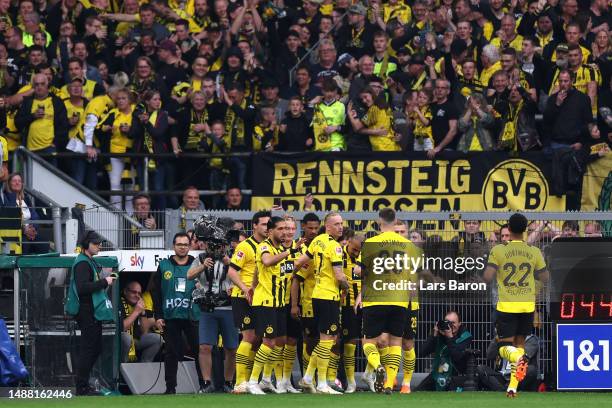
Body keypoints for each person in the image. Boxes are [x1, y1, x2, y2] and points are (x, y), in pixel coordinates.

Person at [484, 213, 549, 398]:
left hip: (507, 306)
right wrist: (532, 288)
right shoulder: (534, 251)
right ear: (525, 230)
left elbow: (488, 276)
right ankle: (512, 387)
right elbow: (545, 277)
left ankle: (519, 360)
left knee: (504, 347)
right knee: (520, 343)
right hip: (527, 306)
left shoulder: (498, 250)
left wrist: (498, 274)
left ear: (509, 230)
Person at [359, 208, 421, 394]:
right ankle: (388, 382)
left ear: (379, 221)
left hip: (379, 298)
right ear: (395, 223)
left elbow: (360, 271)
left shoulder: (371, 243)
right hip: (400, 300)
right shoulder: (410, 246)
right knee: (394, 342)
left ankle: (384, 371)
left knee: (370, 341)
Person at [294, 212, 348, 394]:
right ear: (328, 226)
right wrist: (346, 285)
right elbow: (339, 276)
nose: (341, 227)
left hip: (316, 296)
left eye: (341, 223)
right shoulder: (335, 247)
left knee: (328, 339)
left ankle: (308, 377)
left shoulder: (317, 241)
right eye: (337, 224)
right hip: (328, 296)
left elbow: (300, 262)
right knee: (327, 340)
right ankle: (322, 383)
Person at [244, 217, 292, 394]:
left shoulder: (278, 248)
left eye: (285, 229)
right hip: (266, 302)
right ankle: (252, 382)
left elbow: (258, 269)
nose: (284, 232)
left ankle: (265, 379)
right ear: (270, 231)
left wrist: (253, 286)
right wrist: (288, 252)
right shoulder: (265, 246)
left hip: (278, 302)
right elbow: (266, 262)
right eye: (280, 229)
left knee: (279, 341)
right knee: (268, 342)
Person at [64, 230, 115, 396]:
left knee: (95, 348)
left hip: (91, 311)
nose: (99, 245)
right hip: (86, 311)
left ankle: (83, 383)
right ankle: (81, 387)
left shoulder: (88, 261)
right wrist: (104, 281)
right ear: (86, 245)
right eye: (95, 243)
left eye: (99, 243)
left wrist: (106, 278)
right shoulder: (82, 263)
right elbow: (82, 288)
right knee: (89, 349)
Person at [187, 233, 238, 393]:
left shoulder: (232, 257)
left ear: (225, 245)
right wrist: (203, 266)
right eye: (212, 245)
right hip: (208, 309)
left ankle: (229, 382)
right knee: (204, 347)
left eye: (219, 245)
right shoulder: (201, 258)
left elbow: (243, 276)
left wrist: (229, 264)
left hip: (228, 308)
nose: (215, 248)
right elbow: (189, 275)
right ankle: (207, 382)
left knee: (231, 348)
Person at [151, 232, 201, 394]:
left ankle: (205, 385)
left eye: (185, 244)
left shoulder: (197, 264)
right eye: (179, 244)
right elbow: (155, 292)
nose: (182, 248)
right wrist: (158, 315)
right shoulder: (164, 265)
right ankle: (170, 388)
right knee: (171, 353)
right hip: (170, 316)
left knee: (199, 350)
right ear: (174, 246)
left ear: (190, 246)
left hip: (193, 315)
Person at [227, 210, 270, 393]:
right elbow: (231, 271)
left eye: (269, 224)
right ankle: (240, 381)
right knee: (249, 336)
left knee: (259, 339)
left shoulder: (269, 246)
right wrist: (245, 288)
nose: (267, 228)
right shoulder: (245, 246)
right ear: (254, 226)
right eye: (264, 224)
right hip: (243, 297)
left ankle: (251, 380)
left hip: (260, 298)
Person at [416, 311, 474, 391]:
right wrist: (434, 334)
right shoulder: (440, 334)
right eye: (447, 322)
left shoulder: (465, 336)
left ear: (459, 324)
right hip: (438, 373)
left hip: (456, 374)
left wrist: (450, 337)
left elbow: (456, 356)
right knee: (418, 391)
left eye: (453, 323)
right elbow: (421, 353)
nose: (450, 325)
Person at [120, 281, 162, 363]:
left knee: (157, 339)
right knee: (126, 338)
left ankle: (145, 366)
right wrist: (136, 312)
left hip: (135, 340)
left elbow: (144, 331)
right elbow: (122, 327)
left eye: (139, 293)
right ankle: (122, 366)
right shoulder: (119, 302)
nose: (137, 296)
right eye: (134, 292)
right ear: (125, 291)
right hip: (119, 340)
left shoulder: (137, 304)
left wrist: (142, 313)